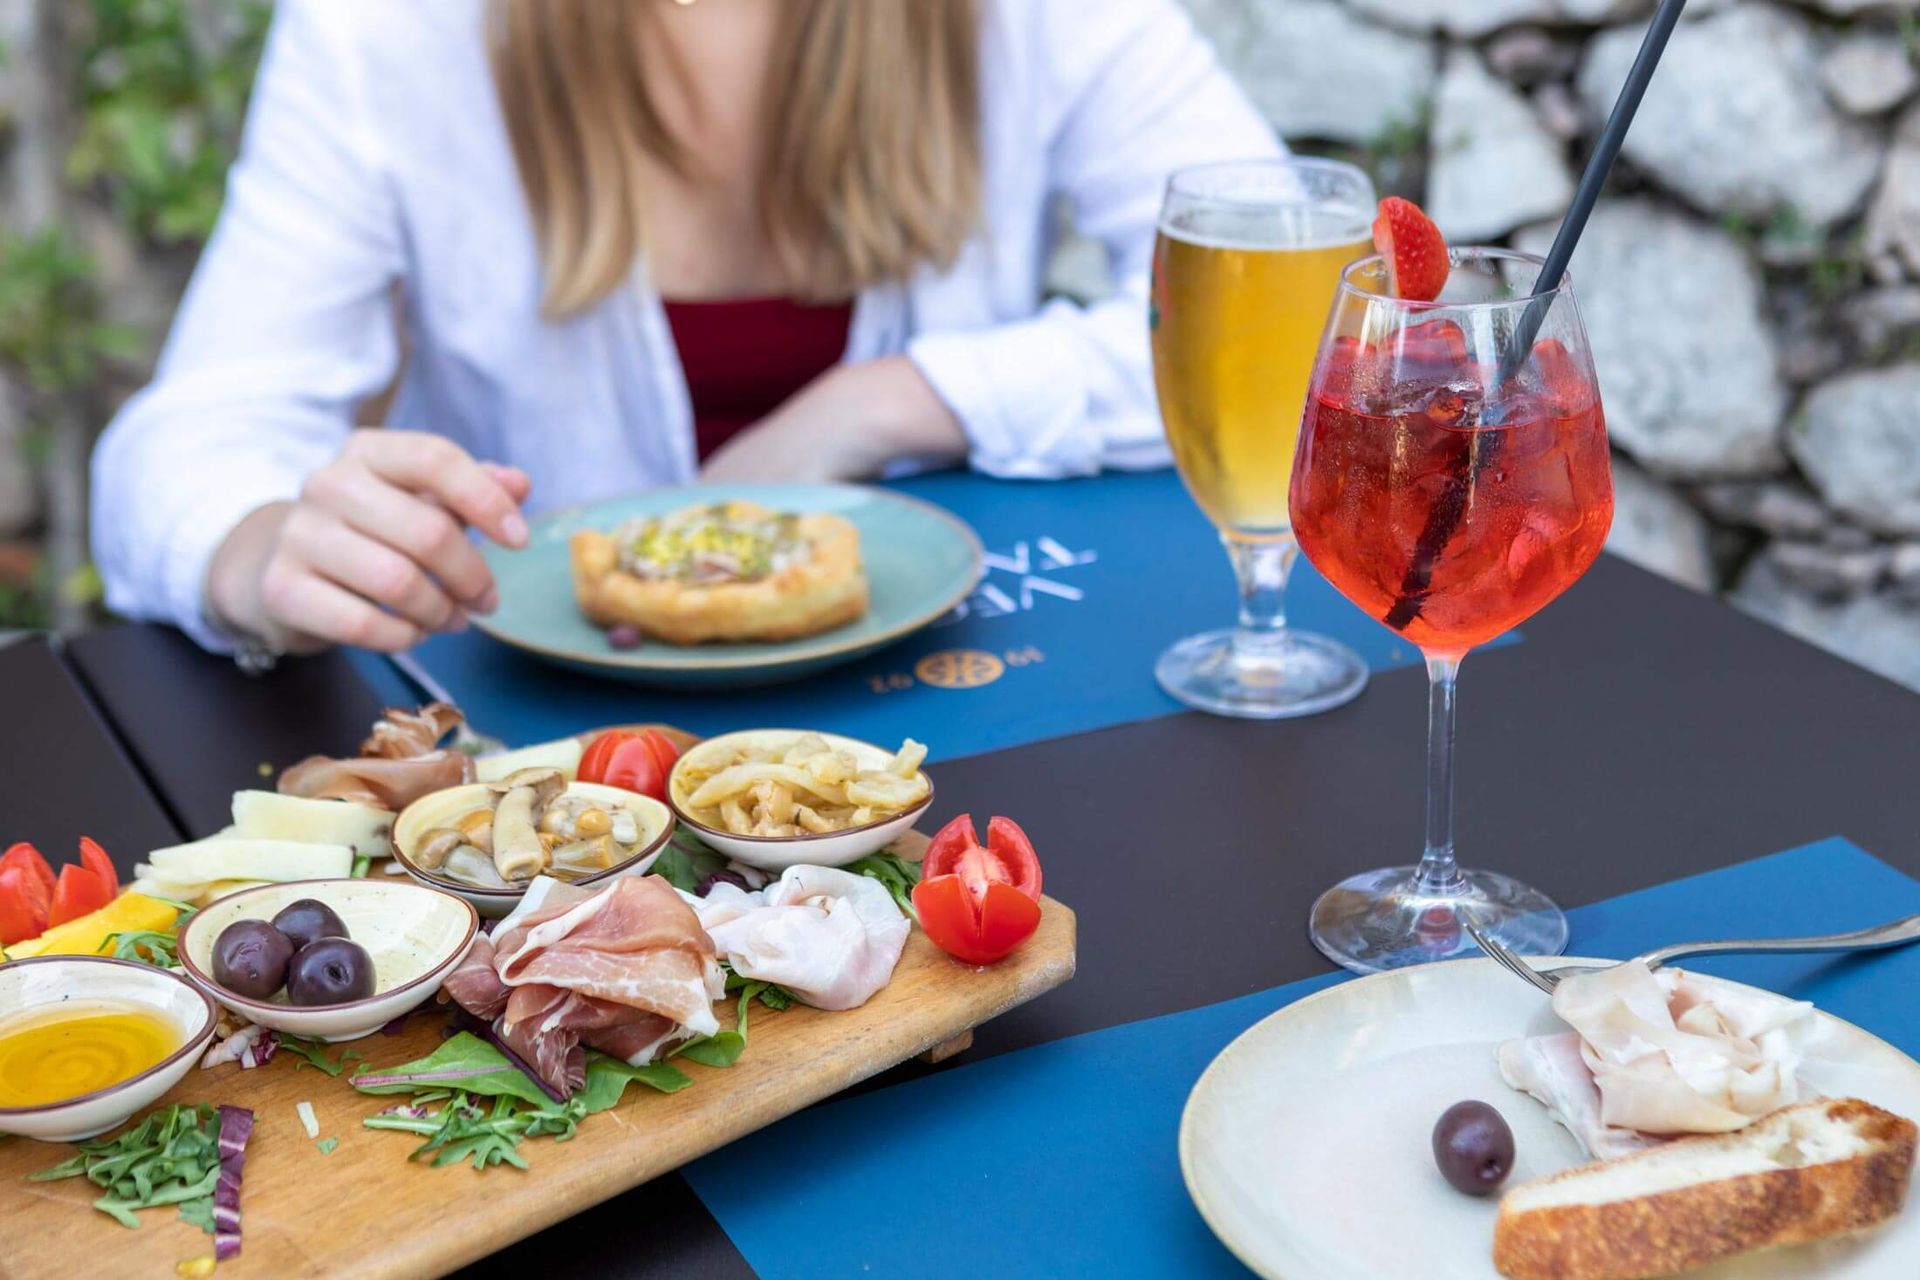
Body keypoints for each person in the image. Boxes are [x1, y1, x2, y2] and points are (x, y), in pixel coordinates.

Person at [92, 0, 1277, 659]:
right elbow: (191, 436)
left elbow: (1284, 296)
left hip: (955, 710)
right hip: (547, 774)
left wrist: (885, 398)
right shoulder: (387, 32)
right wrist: (260, 551)